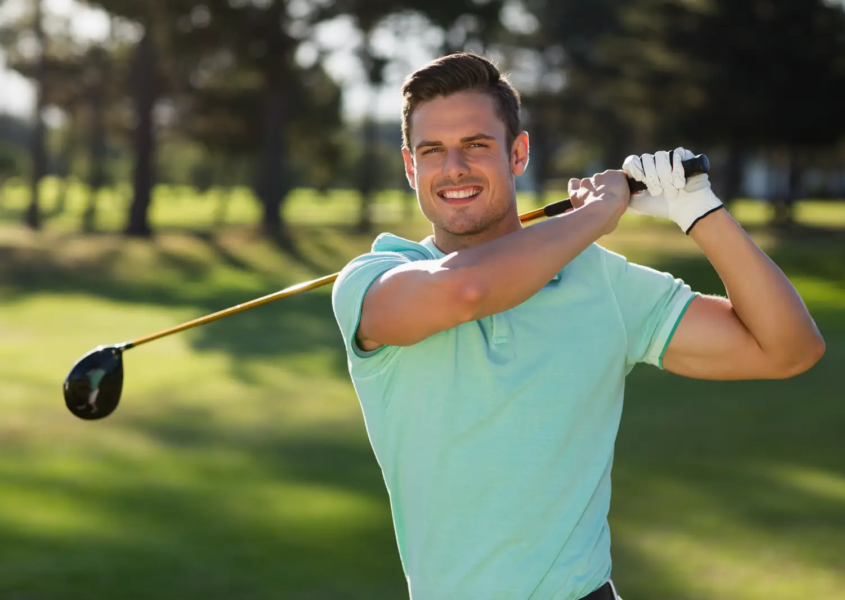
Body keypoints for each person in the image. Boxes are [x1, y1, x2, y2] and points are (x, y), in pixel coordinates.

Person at [330, 52, 825, 600]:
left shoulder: (602, 282)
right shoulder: (373, 279)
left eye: (476, 145)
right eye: (433, 151)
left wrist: (701, 212)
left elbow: (788, 349)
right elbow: (467, 291)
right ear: (409, 167)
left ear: (518, 152)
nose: (454, 169)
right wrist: (595, 216)